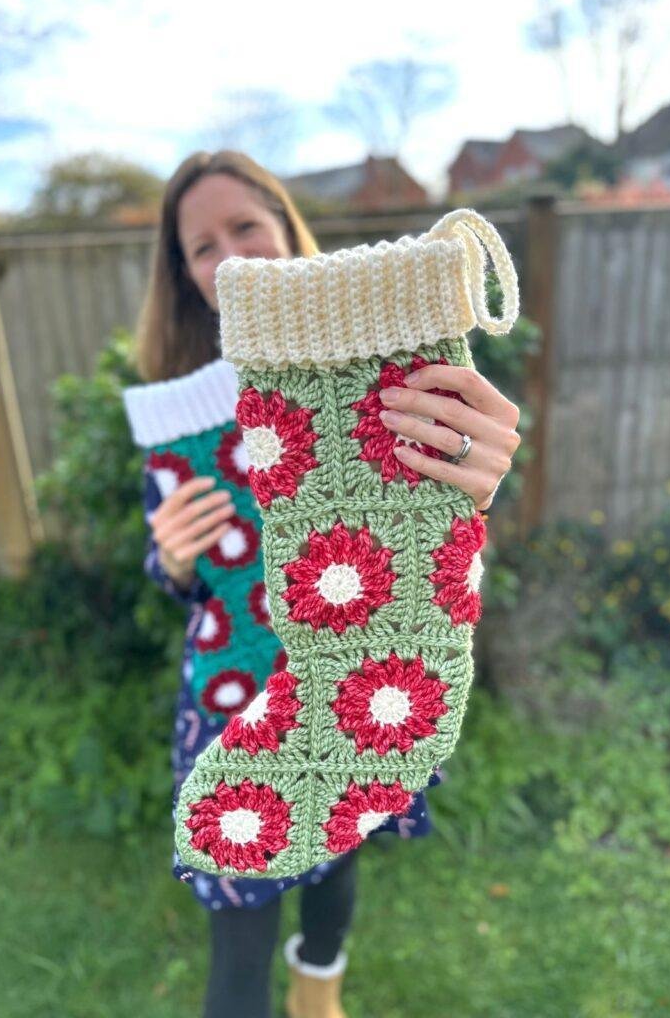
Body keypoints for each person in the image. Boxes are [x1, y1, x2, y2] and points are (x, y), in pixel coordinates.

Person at [135, 149, 520, 1018]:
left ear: (283, 223)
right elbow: (175, 581)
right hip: (233, 689)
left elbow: (415, 532)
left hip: (357, 679)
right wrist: (170, 559)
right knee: (237, 924)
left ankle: (320, 997)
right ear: (182, 270)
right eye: (201, 245)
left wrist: (465, 490)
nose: (229, 255)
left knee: (335, 866)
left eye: (244, 226)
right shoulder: (174, 408)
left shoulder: (357, 366)